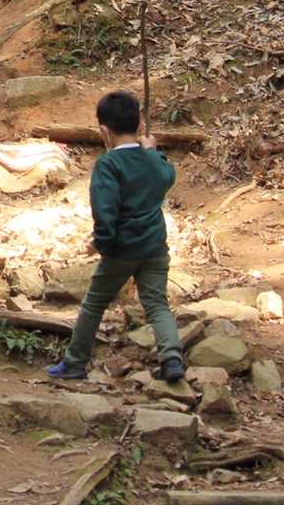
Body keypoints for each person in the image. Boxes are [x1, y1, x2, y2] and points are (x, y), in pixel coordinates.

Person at [47, 90, 185, 382]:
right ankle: (172, 358)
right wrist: (153, 151)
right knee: (157, 303)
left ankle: (75, 362)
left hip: (122, 249)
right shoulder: (151, 159)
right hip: (154, 247)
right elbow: (167, 177)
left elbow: (105, 210)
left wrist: (101, 243)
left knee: (94, 303)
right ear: (139, 126)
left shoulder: (108, 165)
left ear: (104, 131)